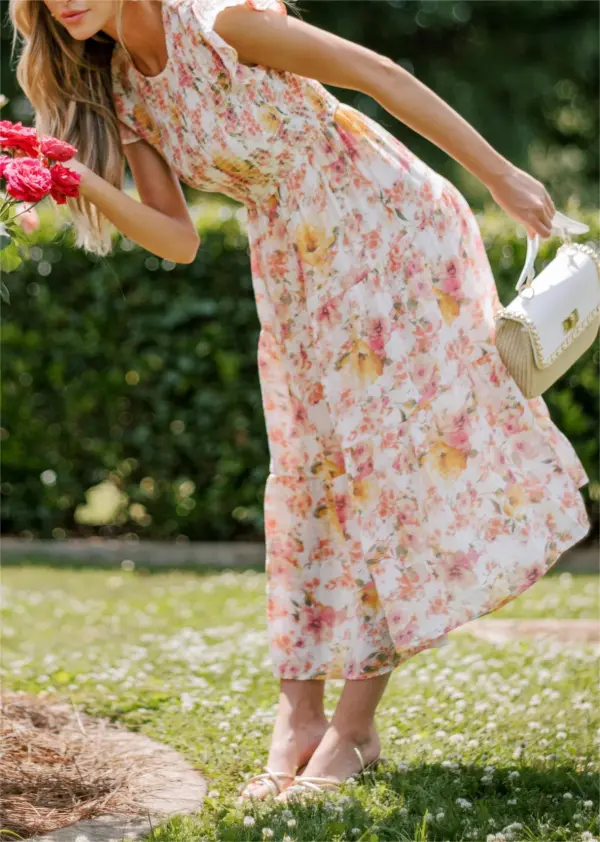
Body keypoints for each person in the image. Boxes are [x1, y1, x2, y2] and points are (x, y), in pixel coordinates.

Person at [12, 0, 590, 803]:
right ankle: (302, 717)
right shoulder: (120, 90)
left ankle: (352, 729)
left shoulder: (220, 23)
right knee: (310, 481)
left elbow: (381, 75)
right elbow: (178, 241)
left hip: (385, 230)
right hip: (293, 263)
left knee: (373, 479)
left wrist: (502, 176)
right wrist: (79, 183)